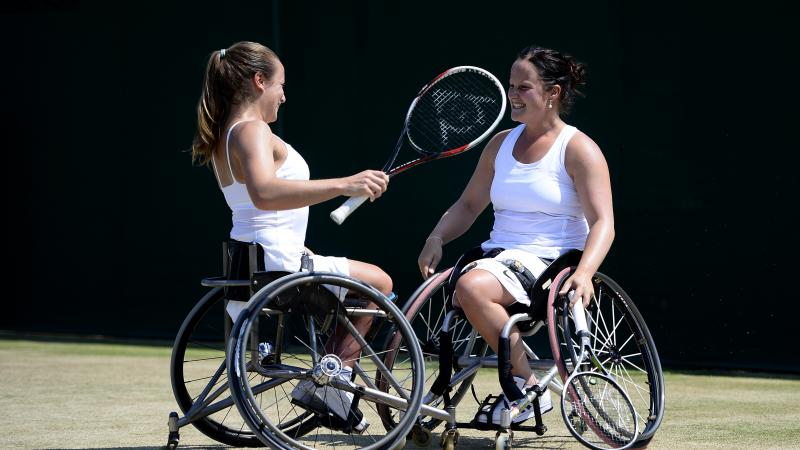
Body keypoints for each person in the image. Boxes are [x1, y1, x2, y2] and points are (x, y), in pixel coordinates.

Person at [190, 41, 391, 432]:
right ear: (259, 81)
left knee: (367, 283)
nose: (284, 94)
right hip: (277, 269)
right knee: (380, 283)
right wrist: (345, 183)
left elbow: (257, 207)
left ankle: (332, 378)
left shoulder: (225, 133)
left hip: (256, 262)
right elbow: (264, 194)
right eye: (281, 84)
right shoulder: (251, 130)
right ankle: (333, 383)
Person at [417, 45, 614, 425]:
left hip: (552, 262)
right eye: (511, 86)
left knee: (472, 287)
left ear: (553, 93)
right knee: (469, 282)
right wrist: (437, 237)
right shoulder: (499, 144)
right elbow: (469, 205)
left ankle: (525, 388)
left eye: (523, 87)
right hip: (499, 256)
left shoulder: (579, 150)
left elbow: (603, 221)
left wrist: (585, 272)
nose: (513, 96)